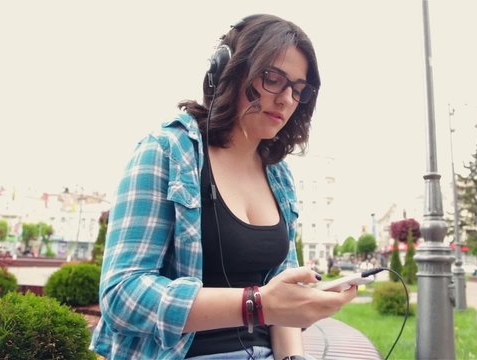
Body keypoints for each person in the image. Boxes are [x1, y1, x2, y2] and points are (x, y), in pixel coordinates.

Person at [89, 14, 357, 360]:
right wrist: (255, 305)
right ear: (226, 70)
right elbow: (121, 295)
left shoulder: (280, 176)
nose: (286, 99)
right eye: (273, 78)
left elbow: (283, 294)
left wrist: (293, 355)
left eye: (298, 89)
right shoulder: (165, 152)